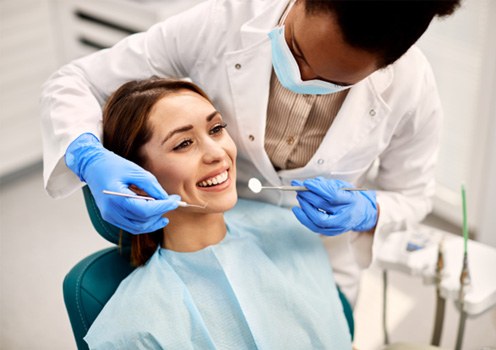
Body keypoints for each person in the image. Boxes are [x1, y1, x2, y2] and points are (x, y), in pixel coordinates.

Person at [40, 0, 461, 304]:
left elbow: (413, 195)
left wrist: (370, 209)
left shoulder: (411, 87)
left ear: (384, 67)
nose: (302, 76)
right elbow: (74, 81)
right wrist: (87, 156)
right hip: (211, 241)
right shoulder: (222, 21)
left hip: (316, 263)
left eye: (332, 81)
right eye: (296, 50)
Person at [83, 77, 352, 349]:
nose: (217, 153)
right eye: (183, 143)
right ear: (136, 181)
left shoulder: (291, 233)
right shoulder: (135, 330)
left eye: (216, 129)